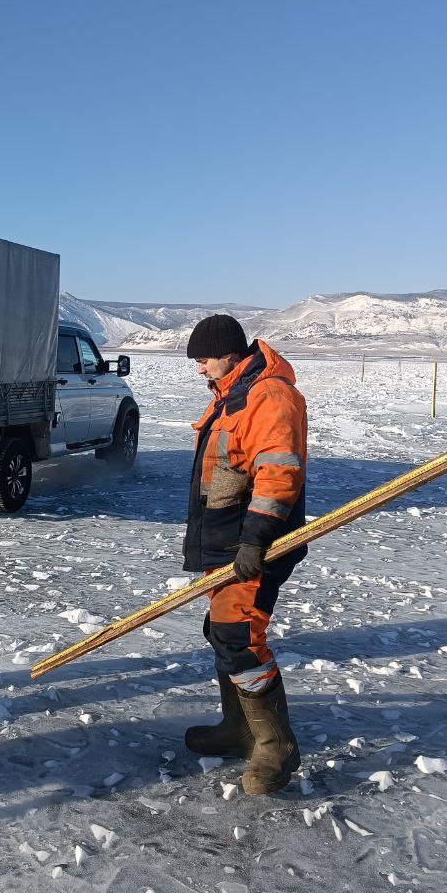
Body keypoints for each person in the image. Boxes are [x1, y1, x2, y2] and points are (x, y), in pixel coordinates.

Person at [181, 314, 308, 794]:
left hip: (252, 542)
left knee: (240, 638)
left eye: (205, 359)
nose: (200, 369)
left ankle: (276, 747)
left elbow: (279, 471)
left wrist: (256, 538)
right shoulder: (233, 393)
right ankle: (241, 730)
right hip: (227, 536)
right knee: (223, 633)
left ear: (231, 355)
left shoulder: (269, 396)